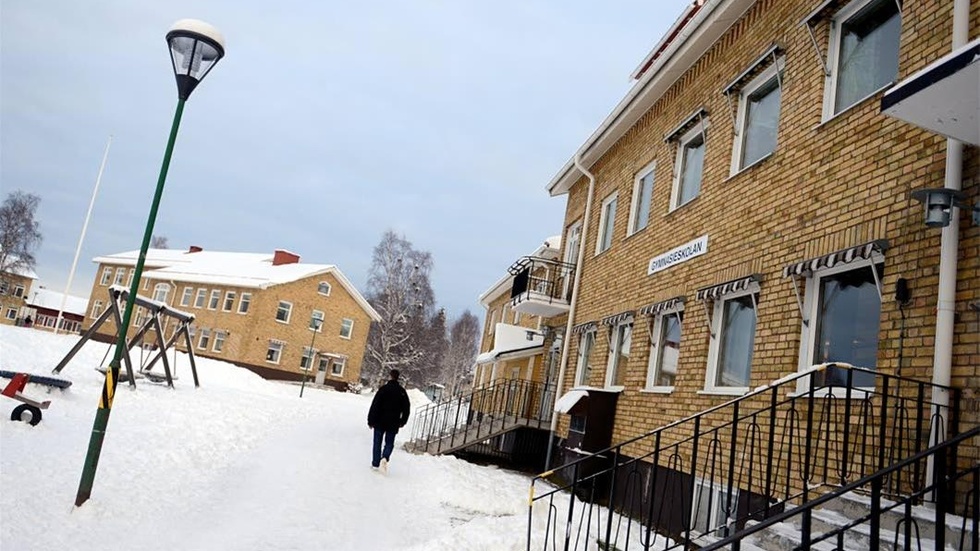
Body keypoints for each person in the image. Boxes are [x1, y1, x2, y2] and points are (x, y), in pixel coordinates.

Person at [367, 369, 411, 473]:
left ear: (390, 376)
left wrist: (370, 420)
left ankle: (375, 463)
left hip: (379, 420)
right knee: (389, 442)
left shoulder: (383, 389)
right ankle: (385, 457)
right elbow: (406, 408)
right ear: (398, 377)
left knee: (377, 442)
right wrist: (403, 421)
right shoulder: (402, 392)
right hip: (393, 422)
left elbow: (375, 405)